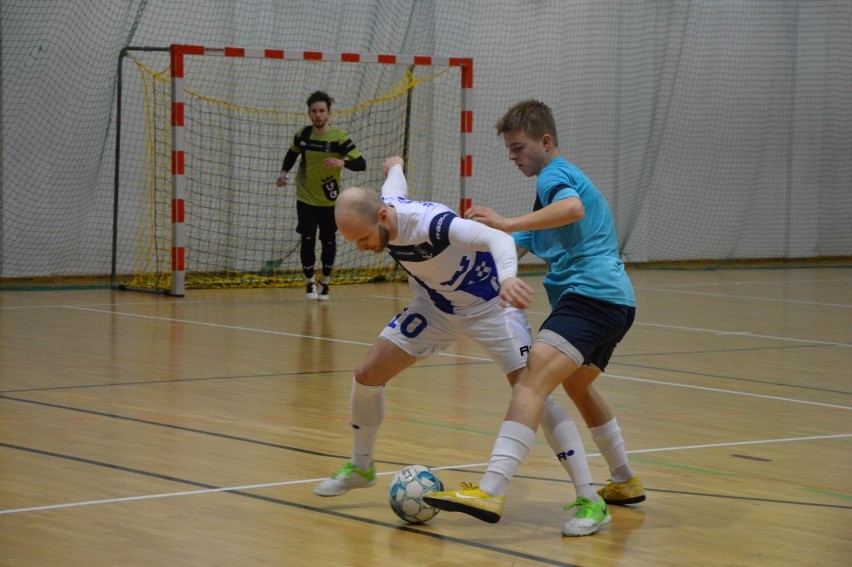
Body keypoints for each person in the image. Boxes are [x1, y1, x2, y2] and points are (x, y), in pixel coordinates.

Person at [313, 156, 599, 508]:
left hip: (490, 306)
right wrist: (397, 165)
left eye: (363, 238)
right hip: (436, 308)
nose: (361, 247)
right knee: (367, 375)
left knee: (533, 393)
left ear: (383, 217)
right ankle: (361, 467)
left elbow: (499, 240)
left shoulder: (434, 224)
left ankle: (588, 497)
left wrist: (508, 278)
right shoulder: (388, 205)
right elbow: (395, 184)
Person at [424, 100, 644, 537]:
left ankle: (492, 489)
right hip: (616, 302)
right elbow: (513, 244)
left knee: (530, 381)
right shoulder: (545, 192)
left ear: (546, 142)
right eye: (509, 148)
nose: (512, 156)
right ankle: (624, 480)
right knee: (578, 386)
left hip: (591, 297)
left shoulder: (555, 175)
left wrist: (505, 221)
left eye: (518, 147)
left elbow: (572, 210)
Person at [277, 90, 366, 301]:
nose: (318, 115)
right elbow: (292, 153)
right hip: (306, 198)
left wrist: (342, 162)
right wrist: (283, 173)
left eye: (322, 111)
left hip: (330, 201)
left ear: (329, 114)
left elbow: (361, 164)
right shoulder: (303, 135)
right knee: (307, 239)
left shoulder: (339, 139)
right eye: (314, 111)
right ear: (309, 113)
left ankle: (325, 282)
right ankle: (309, 282)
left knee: (328, 241)